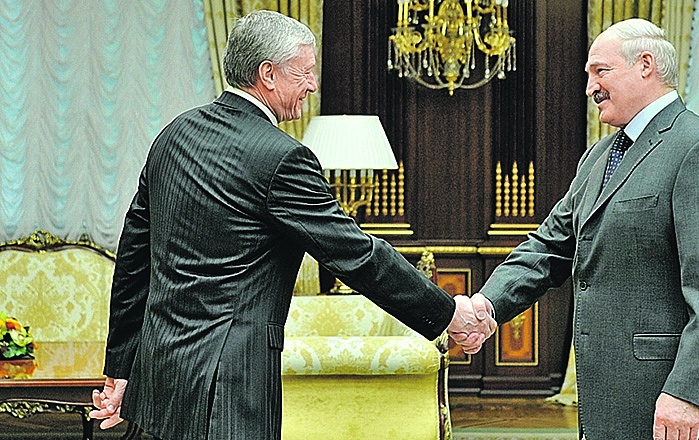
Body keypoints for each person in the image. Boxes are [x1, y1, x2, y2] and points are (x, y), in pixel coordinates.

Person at [88, 10, 494, 440]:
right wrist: (448, 313)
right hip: (229, 387)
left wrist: (121, 368)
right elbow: (357, 255)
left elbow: (133, 260)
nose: (313, 85)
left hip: (159, 380)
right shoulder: (282, 159)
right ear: (268, 74)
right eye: (305, 72)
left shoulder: (173, 135)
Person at [457, 18, 699, 440]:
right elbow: (549, 245)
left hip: (672, 399)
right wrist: (487, 305)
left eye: (601, 71)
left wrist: (687, 392)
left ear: (646, 65)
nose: (590, 87)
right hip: (611, 398)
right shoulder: (598, 156)